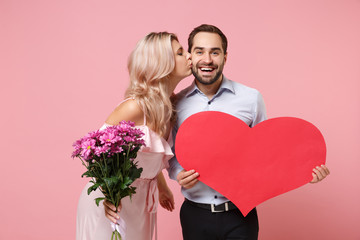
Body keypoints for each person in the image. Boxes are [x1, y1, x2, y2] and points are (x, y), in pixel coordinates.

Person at [167, 24, 330, 240]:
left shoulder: (251, 98)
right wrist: (178, 173)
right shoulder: (176, 103)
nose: (207, 59)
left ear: (225, 57)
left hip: (240, 216)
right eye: (200, 51)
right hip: (195, 214)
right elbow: (171, 153)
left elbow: (266, 154)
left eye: (215, 52)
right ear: (190, 56)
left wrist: (302, 171)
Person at [76, 32, 192, 240]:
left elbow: (146, 154)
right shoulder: (134, 107)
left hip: (141, 203)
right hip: (110, 201)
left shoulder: (170, 108)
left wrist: (163, 187)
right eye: (180, 53)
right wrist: (108, 197)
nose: (190, 56)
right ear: (162, 63)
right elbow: (96, 153)